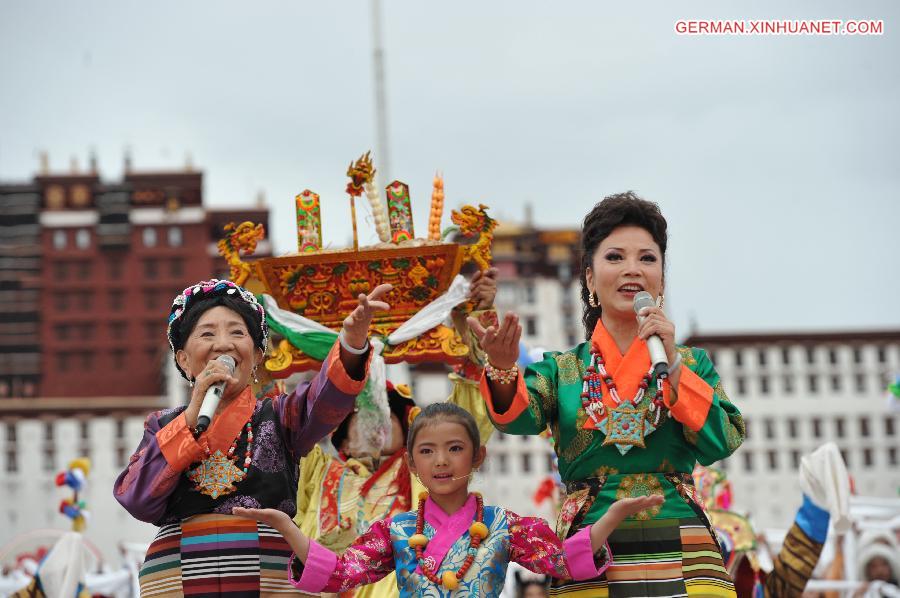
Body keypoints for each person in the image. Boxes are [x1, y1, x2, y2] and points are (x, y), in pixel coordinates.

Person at [469, 192, 746, 597]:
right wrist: (501, 367)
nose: (632, 269)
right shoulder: (562, 370)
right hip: (593, 550)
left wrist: (673, 365)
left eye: (647, 259)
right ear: (588, 278)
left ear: (662, 279)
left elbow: (723, 439)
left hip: (686, 551)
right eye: (615, 257)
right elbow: (515, 418)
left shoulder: (690, 362)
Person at [113, 278, 391, 596]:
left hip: (269, 580)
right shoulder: (161, 424)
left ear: (257, 355)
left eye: (237, 332)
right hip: (179, 579)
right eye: (207, 333)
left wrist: (352, 345)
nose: (224, 344)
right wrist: (190, 420)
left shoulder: (282, 416)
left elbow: (324, 400)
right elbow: (137, 499)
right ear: (183, 360)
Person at [234, 402, 663, 597]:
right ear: (412, 463)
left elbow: (564, 561)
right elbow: (343, 573)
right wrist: (289, 529)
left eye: (455, 448)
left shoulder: (505, 525)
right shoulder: (396, 530)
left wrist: (612, 516)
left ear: (478, 456)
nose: (441, 461)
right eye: (427, 451)